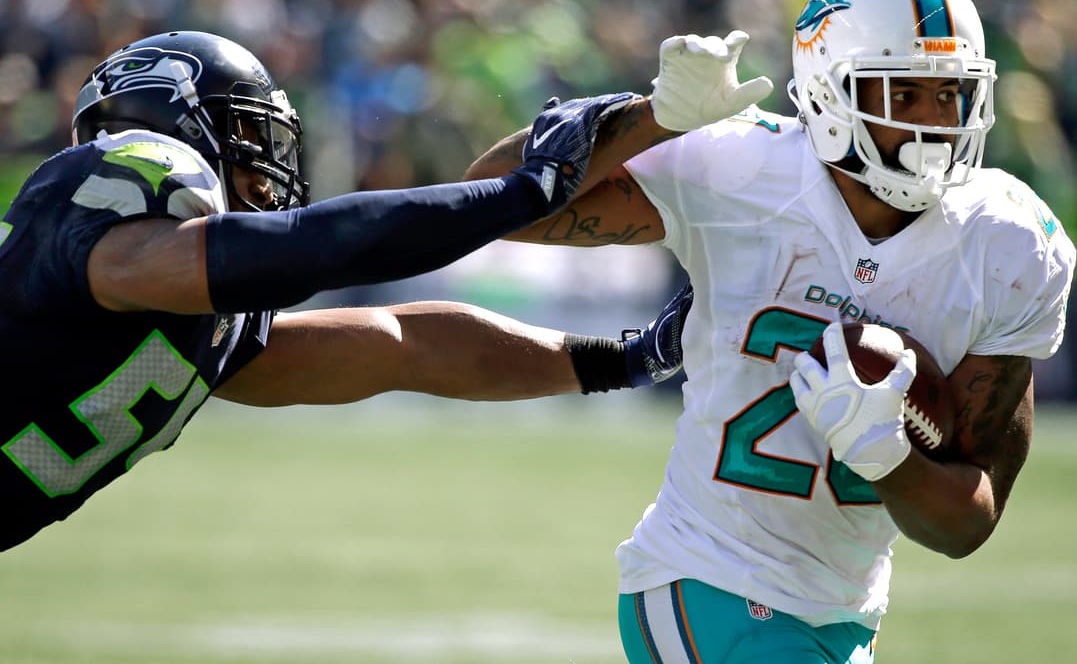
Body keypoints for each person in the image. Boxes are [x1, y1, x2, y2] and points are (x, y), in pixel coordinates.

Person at [464, 0, 1076, 663]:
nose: (934, 121)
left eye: (950, 94)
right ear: (829, 90)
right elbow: (489, 204)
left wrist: (887, 457)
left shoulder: (1008, 240)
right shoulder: (743, 165)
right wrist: (647, 118)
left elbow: (967, 524)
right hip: (704, 579)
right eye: (902, 93)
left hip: (844, 615)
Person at [0, 30, 708, 552]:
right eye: (248, 131)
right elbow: (318, 246)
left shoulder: (198, 315)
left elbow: (403, 347)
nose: (270, 166)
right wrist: (527, 191)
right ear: (174, 119)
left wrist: (628, 359)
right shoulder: (126, 186)